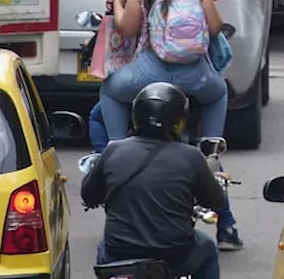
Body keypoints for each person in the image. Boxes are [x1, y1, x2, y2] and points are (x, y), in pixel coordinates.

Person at [98, 0, 244, 250]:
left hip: (150, 72)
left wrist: (120, 2)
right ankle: (211, 149)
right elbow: (216, 27)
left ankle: (115, 147)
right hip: (195, 77)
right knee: (218, 92)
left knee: (110, 91)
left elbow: (125, 27)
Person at [81, 82, 222, 279]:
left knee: (103, 249)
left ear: (135, 115)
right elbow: (215, 201)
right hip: (174, 256)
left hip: (119, 252)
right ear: (180, 120)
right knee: (207, 248)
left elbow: (88, 195)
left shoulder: (113, 150)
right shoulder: (191, 157)